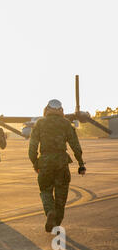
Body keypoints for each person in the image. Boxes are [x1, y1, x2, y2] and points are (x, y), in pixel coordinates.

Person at [29, 99, 86, 232]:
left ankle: (49, 212)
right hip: (61, 163)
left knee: (45, 190)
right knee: (61, 196)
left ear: (47, 109)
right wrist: (81, 163)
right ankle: (57, 223)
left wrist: (35, 162)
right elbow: (75, 146)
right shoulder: (66, 124)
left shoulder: (40, 123)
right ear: (61, 110)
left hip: (45, 162)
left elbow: (32, 147)